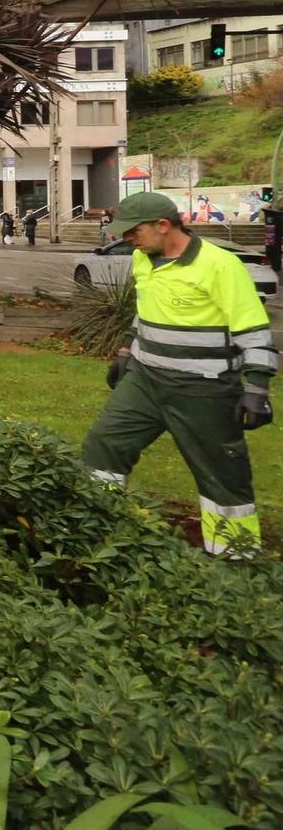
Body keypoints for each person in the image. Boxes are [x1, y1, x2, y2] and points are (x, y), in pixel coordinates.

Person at [83, 192, 275, 558]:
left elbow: (252, 329)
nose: (127, 240)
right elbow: (144, 311)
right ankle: (94, 531)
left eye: (133, 232)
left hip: (203, 388)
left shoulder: (220, 266)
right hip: (144, 380)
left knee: (221, 475)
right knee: (103, 446)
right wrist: (126, 352)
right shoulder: (144, 258)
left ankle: (234, 558)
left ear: (163, 225)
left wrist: (257, 388)